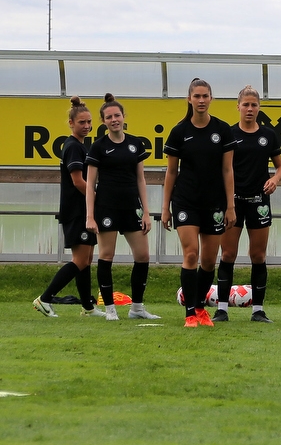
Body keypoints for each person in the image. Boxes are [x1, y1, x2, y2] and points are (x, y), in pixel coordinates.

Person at [161, 78, 237, 328]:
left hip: (214, 203)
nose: (201, 100)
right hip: (185, 201)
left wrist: (230, 206)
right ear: (189, 99)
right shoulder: (179, 132)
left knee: (209, 260)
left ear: (211, 99)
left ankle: (201, 308)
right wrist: (165, 208)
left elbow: (228, 170)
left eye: (205, 96)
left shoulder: (223, 130)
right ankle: (189, 314)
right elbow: (171, 172)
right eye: (197, 96)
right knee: (191, 253)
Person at [85, 93, 160, 321]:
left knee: (143, 256)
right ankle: (110, 309)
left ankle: (137, 308)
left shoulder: (135, 144)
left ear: (124, 117)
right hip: (107, 208)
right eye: (109, 117)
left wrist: (146, 212)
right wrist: (90, 216)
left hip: (132, 209)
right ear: (103, 121)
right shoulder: (98, 147)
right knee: (106, 256)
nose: (114, 119)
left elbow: (140, 179)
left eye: (117, 115)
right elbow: (90, 184)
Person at [214, 85, 281, 324]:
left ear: (259, 108)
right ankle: (222, 308)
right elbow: (222, 169)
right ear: (238, 107)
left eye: (254, 105)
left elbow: (280, 167)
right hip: (233, 203)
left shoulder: (268, 135)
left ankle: (258, 310)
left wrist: (274, 180)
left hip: (259, 202)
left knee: (258, 255)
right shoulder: (229, 134)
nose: (250, 109)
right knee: (228, 254)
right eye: (246, 104)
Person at [33, 97, 104, 318]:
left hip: (84, 210)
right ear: (71, 123)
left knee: (87, 259)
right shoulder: (72, 146)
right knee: (80, 260)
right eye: (82, 122)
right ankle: (44, 299)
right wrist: (97, 197)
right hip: (76, 210)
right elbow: (78, 181)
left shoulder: (82, 146)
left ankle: (88, 307)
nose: (86, 126)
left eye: (89, 122)